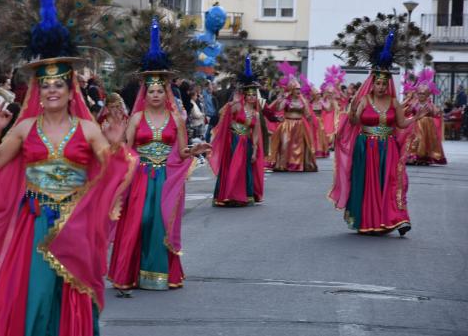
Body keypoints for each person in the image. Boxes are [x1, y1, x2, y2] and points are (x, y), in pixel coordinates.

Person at [0, 0, 136, 336]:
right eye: (46, 84)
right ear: (38, 88)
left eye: (59, 85)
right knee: (33, 298)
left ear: (71, 90)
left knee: (69, 295)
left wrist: (116, 143)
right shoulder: (22, 128)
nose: (52, 91)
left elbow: (113, 169)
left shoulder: (87, 129)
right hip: (31, 225)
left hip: (75, 225)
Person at [109, 18, 210, 293]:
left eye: (159, 91)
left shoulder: (176, 119)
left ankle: (158, 274)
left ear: (166, 92)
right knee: (138, 222)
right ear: (146, 92)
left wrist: (195, 151)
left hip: (165, 177)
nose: (155, 94)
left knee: (159, 223)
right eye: (151, 90)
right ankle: (130, 272)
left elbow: (181, 151)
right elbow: (126, 148)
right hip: (140, 176)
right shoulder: (137, 116)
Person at [329, 31, 426, 235]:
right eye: (378, 83)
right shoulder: (364, 100)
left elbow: (400, 124)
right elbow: (355, 122)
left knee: (392, 181)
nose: (381, 87)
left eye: (384, 83)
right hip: (365, 148)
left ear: (388, 83)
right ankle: (369, 220)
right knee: (367, 185)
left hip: (388, 147)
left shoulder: (394, 103)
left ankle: (398, 219)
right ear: (372, 83)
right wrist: (354, 111)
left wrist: (416, 118)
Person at [210, 55, 264, 206]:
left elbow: (255, 134)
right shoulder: (236, 107)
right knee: (231, 168)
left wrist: (254, 151)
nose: (252, 97)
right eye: (250, 95)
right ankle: (228, 195)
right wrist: (229, 105)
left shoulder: (256, 114)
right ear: (245, 96)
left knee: (243, 168)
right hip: (233, 141)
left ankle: (243, 195)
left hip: (245, 143)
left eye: (255, 95)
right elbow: (223, 115)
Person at [266, 61, 317, 172]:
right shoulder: (287, 100)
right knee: (285, 145)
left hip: (299, 125)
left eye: (299, 89)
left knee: (299, 146)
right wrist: (283, 98)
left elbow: (307, 114)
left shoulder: (302, 101)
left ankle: (297, 165)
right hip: (287, 124)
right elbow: (279, 109)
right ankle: (282, 164)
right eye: (296, 90)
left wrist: (305, 102)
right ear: (292, 91)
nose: (298, 91)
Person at [406, 68, 447, 165]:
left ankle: (424, 157)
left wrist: (435, 111)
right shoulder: (414, 102)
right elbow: (408, 111)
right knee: (416, 140)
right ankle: (413, 156)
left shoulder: (429, 104)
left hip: (427, 127)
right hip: (415, 126)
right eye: (419, 93)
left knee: (425, 141)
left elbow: (436, 113)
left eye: (423, 94)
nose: (421, 95)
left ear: (427, 94)